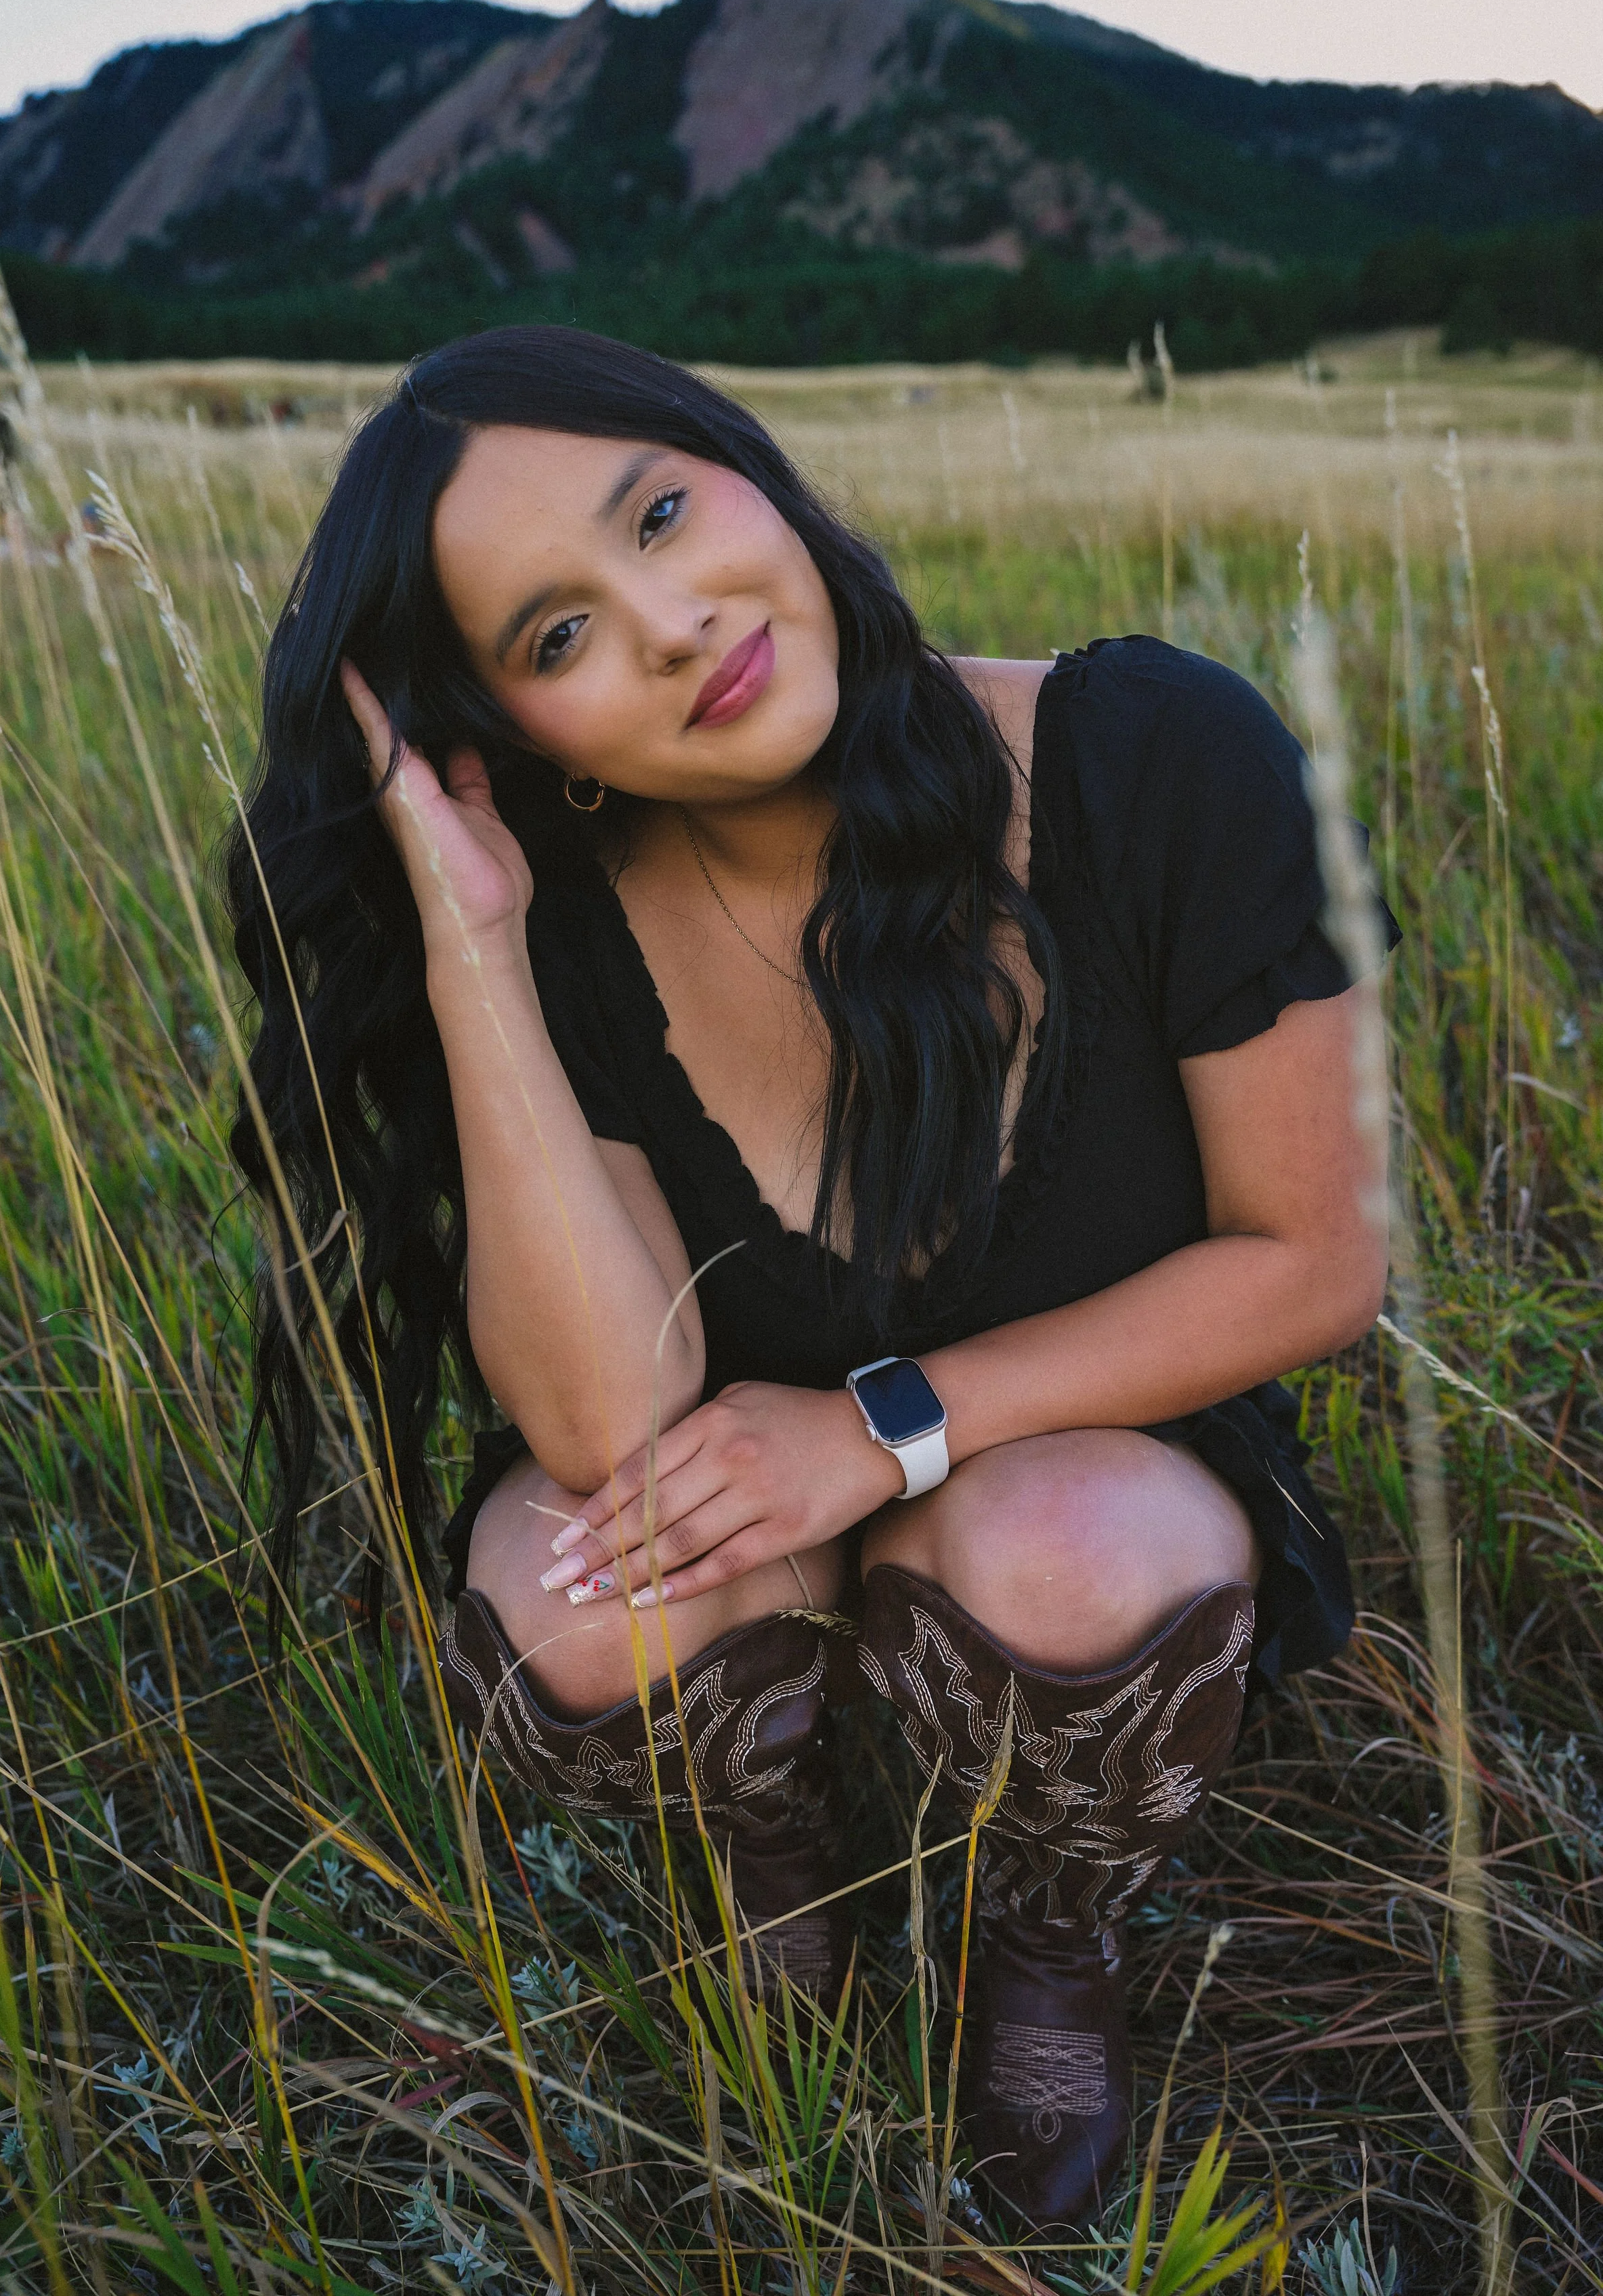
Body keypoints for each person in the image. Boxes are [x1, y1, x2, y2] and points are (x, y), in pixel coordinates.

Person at [228, 325, 1395, 2232]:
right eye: (559, 637)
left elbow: (1318, 1259)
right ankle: (789, 1875)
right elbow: (603, 1421)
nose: (675, 621)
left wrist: (885, 1430)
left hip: (1076, 1479)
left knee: (1068, 1543)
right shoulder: (572, 927)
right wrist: (476, 953)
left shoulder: (1159, 759)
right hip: (755, 1512)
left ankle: (1046, 1922)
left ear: (753, 469)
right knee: (576, 1584)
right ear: (522, 739)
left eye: (665, 512)